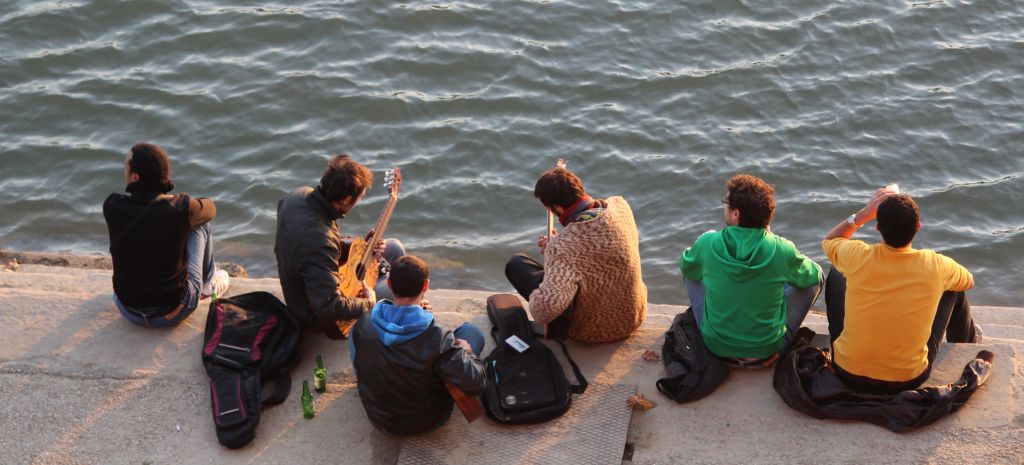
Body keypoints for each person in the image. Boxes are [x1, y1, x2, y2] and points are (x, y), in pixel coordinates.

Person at [823, 187, 981, 393]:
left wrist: (863, 214)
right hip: (908, 379)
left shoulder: (857, 255)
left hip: (847, 372)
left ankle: (847, 344)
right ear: (918, 226)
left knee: (837, 270)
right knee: (953, 286)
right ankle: (967, 342)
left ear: (878, 227)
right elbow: (969, 281)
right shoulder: (935, 264)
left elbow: (830, 240)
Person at [680, 174, 823, 366]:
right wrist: (778, 246)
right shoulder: (781, 248)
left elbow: (688, 269)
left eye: (725, 202)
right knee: (817, 276)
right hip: (766, 350)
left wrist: (698, 246)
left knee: (691, 264)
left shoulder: (708, 243)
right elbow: (812, 276)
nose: (723, 205)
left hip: (716, 347)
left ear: (736, 213)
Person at [505, 166, 647, 343]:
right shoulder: (620, 206)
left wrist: (553, 255)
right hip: (633, 317)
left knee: (516, 265)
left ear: (557, 207)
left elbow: (544, 311)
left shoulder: (562, 247)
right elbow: (594, 249)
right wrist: (559, 245)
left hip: (593, 331)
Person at [349, 255, 485, 435]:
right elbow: (477, 384)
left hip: (379, 419)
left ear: (389, 284)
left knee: (357, 336)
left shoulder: (364, 322)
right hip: (426, 421)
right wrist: (468, 352)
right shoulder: (439, 339)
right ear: (426, 286)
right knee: (471, 332)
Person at [274, 154, 405, 338]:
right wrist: (368, 303)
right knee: (399, 287)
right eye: (359, 197)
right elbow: (330, 307)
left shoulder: (297, 196)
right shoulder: (320, 242)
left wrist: (357, 247)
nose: (358, 201)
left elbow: (312, 246)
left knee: (394, 247)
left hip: (308, 282)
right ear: (345, 200)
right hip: (316, 314)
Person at [103, 143, 229, 327]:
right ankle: (207, 285)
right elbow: (210, 208)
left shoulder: (112, 206)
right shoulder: (180, 208)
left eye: (125, 167)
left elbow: (145, 225)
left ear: (135, 177)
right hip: (173, 312)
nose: (124, 170)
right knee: (201, 226)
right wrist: (175, 200)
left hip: (127, 309)